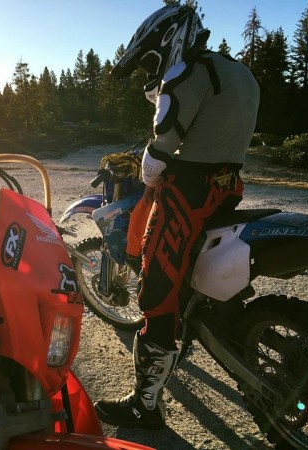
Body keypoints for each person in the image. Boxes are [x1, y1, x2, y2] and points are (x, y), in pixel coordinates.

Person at [94, 3, 260, 429]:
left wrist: (148, 163)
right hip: (227, 187)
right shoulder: (239, 72)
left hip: (186, 193)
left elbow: (161, 150)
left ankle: (145, 406)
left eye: (152, 55)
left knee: (156, 288)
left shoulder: (186, 73)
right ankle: (190, 328)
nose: (154, 65)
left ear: (170, 39)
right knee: (188, 264)